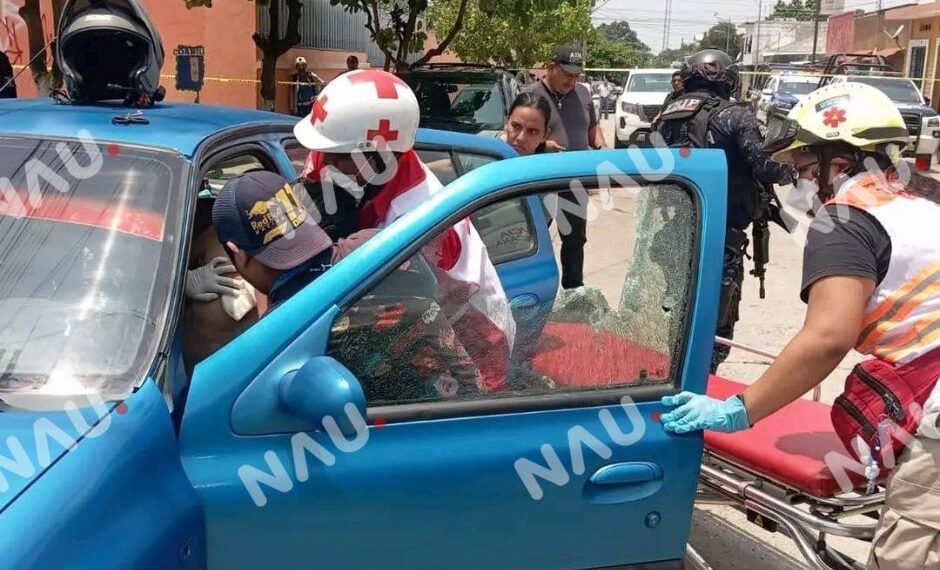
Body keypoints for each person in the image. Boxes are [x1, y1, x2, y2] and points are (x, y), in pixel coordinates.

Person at [661, 81, 940, 570]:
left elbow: (828, 337)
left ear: (837, 163)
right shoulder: (923, 199)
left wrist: (738, 410)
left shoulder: (847, 221)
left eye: (803, 169)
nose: (798, 185)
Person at [294, 69, 516, 393]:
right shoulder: (339, 154)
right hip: (415, 322)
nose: (326, 165)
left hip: (468, 335)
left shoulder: (415, 220)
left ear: (381, 157)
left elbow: (385, 310)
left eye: (340, 158)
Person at [656, 49, 792, 372]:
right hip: (719, 240)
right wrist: (795, 168)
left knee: (678, 319)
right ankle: (700, 389)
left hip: (674, 233)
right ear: (728, 80)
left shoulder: (668, 115)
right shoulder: (735, 116)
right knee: (714, 332)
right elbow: (765, 166)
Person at [525, 43, 606, 290]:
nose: (572, 81)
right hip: (539, 185)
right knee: (532, 242)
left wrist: (601, 147)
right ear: (552, 67)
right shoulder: (531, 96)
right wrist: (541, 145)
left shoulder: (583, 94)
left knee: (574, 243)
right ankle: (532, 294)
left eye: (576, 76)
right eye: (567, 74)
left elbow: (592, 128)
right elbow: (516, 139)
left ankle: (573, 294)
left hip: (574, 184)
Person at [182, 194, 263, 373]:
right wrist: (180, 283)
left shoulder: (279, 251)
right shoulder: (215, 236)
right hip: (194, 374)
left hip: (243, 373)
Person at [498, 92, 552, 156]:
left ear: (545, 135)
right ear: (506, 123)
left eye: (533, 131)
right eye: (516, 127)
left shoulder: (549, 165)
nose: (521, 138)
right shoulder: (485, 154)